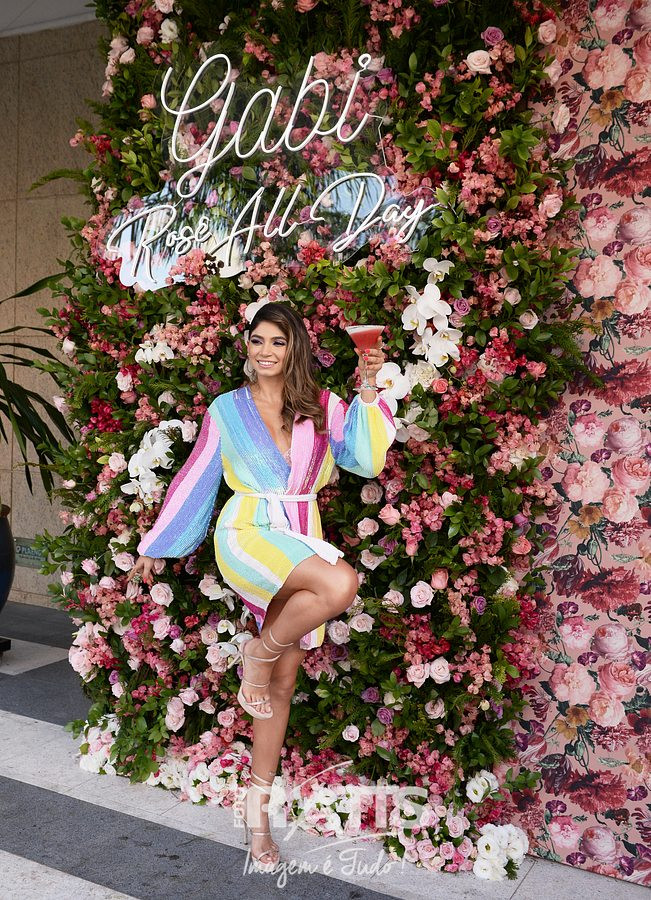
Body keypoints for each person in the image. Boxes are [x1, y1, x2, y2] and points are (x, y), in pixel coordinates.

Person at [127, 301, 396, 871]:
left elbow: (365, 460)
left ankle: (257, 821)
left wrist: (369, 392)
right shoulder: (227, 408)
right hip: (248, 533)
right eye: (257, 340)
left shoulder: (322, 405)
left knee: (282, 681)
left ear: (295, 347)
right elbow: (198, 476)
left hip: (301, 531)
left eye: (278, 340)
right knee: (340, 583)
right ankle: (257, 651)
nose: (266, 350)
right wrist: (156, 543)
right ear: (247, 347)